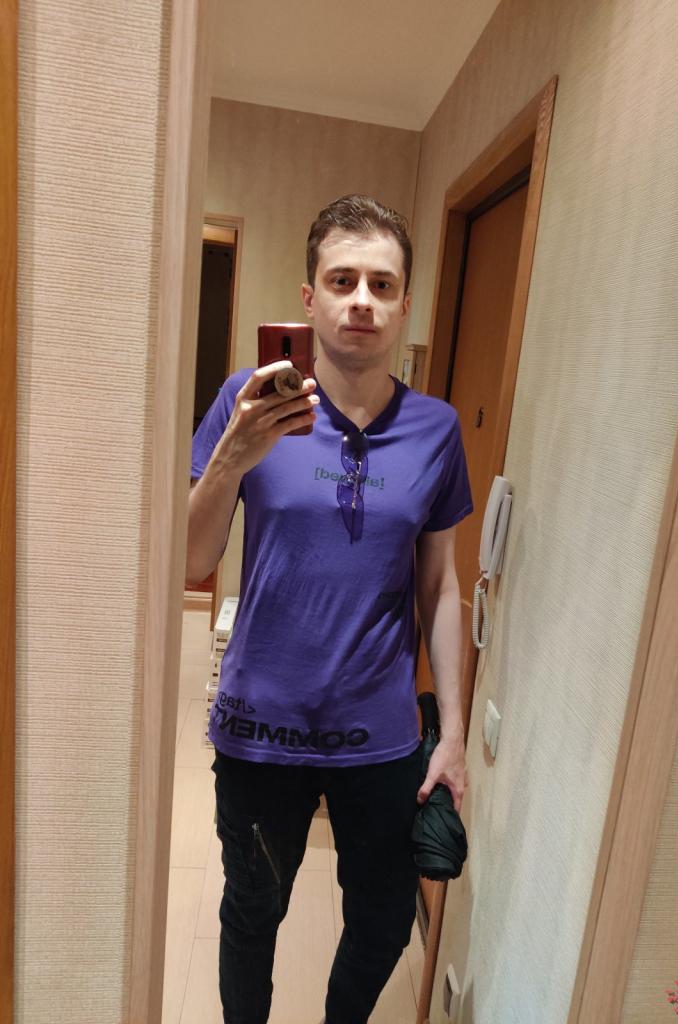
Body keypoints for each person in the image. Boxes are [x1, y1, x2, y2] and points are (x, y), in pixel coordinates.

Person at [186, 194, 473, 1024]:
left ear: (405, 303)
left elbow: (441, 586)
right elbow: (194, 560)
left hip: (379, 736)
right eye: (342, 280)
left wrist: (454, 732)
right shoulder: (247, 401)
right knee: (253, 914)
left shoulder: (436, 428)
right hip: (261, 726)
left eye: (382, 284)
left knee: (382, 923)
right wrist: (233, 458)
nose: (362, 301)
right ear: (309, 299)